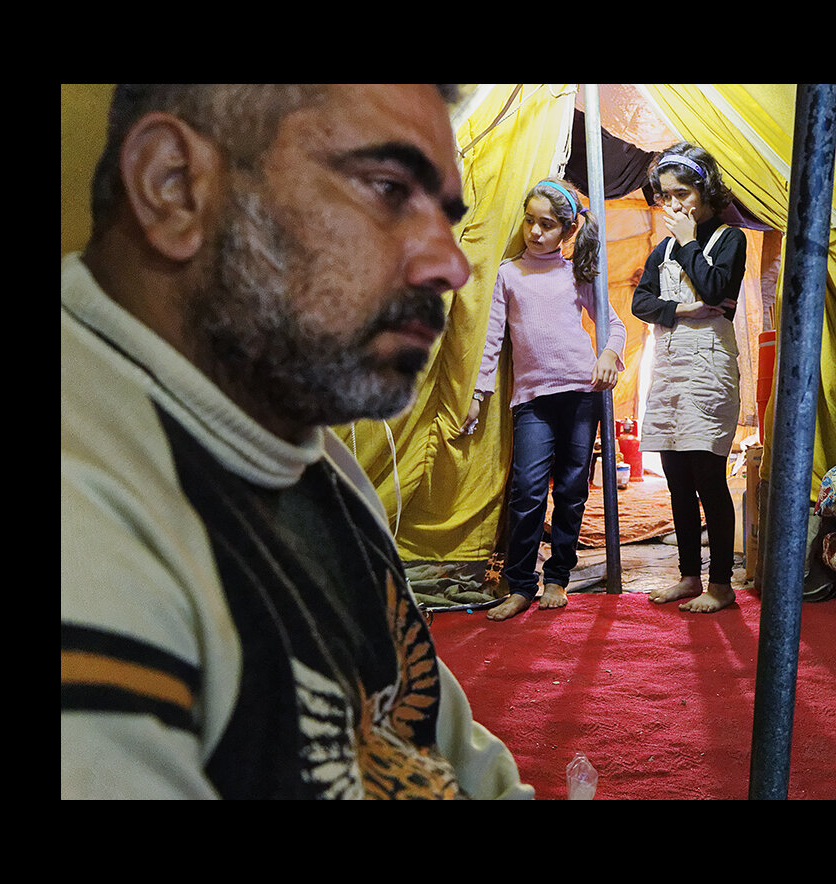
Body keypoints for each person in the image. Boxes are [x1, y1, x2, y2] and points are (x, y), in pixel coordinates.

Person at [61, 84, 533, 799]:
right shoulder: (82, 509)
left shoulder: (306, 449)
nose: (450, 265)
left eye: (445, 214)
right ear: (174, 187)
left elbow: (445, 752)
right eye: (387, 188)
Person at [465, 179, 626, 622]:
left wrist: (610, 352)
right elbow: (492, 341)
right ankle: (520, 584)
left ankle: (557, 577)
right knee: (528, 490)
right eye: (530, 221)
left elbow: (614, 325)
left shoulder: (576, 273)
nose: (535, 232)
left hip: (580, 393)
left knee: (573, 490)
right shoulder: (508, 274)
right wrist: (478, 394)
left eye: (547, 225)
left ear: (567, 232)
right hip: (532, 400)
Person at [631, 143, 745, 614]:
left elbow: (718, 287)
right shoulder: (662, 249)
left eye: (683, 193)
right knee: (676, 477)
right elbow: (641, 302)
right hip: (671, 365)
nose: (674, 204)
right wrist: (683, 309)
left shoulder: (728, 239)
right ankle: (687, 576)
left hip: (709, 366)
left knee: (707, 476)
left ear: (705, 191)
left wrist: (689, 242)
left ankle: (721, 585)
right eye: (665, 196)